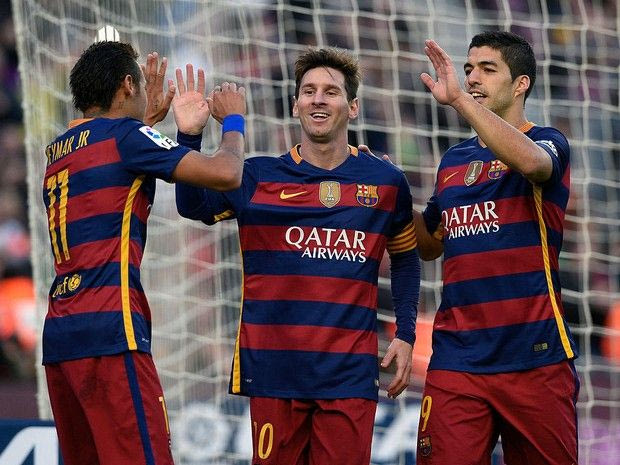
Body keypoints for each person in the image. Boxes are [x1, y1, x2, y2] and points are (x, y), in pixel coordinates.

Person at [175, 48, 420, 465]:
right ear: (295, 105)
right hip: (274, 374)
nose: (318, 99)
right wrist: (189, 136)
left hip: (349, 375)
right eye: (308, 91)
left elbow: (406, 258)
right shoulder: (257, 176)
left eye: (331, 92)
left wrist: (406, 332)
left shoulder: (386, 182)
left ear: (353, 107)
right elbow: (192, 205)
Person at [42, 40, 246, 465]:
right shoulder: (127, 139)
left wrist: (150, 123)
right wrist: (233, 121)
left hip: (61, 336)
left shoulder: (58, 151)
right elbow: (226, 174)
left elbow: (116, 173)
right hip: (112, 329)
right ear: (128, 85)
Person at [413, 31, 579, 465]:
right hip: (457, 356)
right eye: (469, 69)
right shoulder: (453, 161)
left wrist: (458, 101)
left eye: (487, 69)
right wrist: (390, 193)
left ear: (521, 84)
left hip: (534, 354)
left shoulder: (548, 141)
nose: (472, 78)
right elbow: (429, 244)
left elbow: (532, 164)